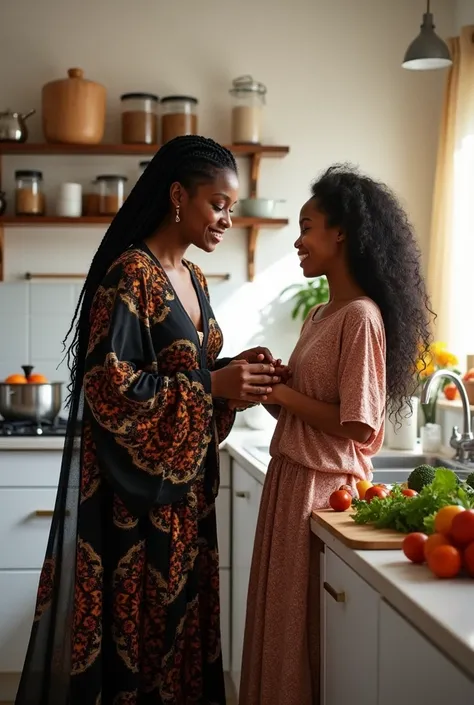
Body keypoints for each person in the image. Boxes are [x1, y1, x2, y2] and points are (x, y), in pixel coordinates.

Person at [15, 135, 285, 705]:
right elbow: (110, 388)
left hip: (187, 503)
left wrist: (237, 372)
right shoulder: (130, 273)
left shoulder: (196, 278)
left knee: (179, 642)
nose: (227, 220)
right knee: (137, 650)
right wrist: (213, 385)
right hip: (131, 511)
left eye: (233, 208)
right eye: (218, 204)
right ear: (178, 196)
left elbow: (189, 369)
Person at [239, 164, 433, 705]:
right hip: (290, 481)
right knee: (280, 623)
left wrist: (283, 396)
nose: (298, 241)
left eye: (307, 226)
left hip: (325, 491)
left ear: (341, 231)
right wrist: (274, 385)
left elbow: (357, 423)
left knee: (300, 629)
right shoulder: (321, 314)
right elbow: (307, 413)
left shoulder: (362, 317)